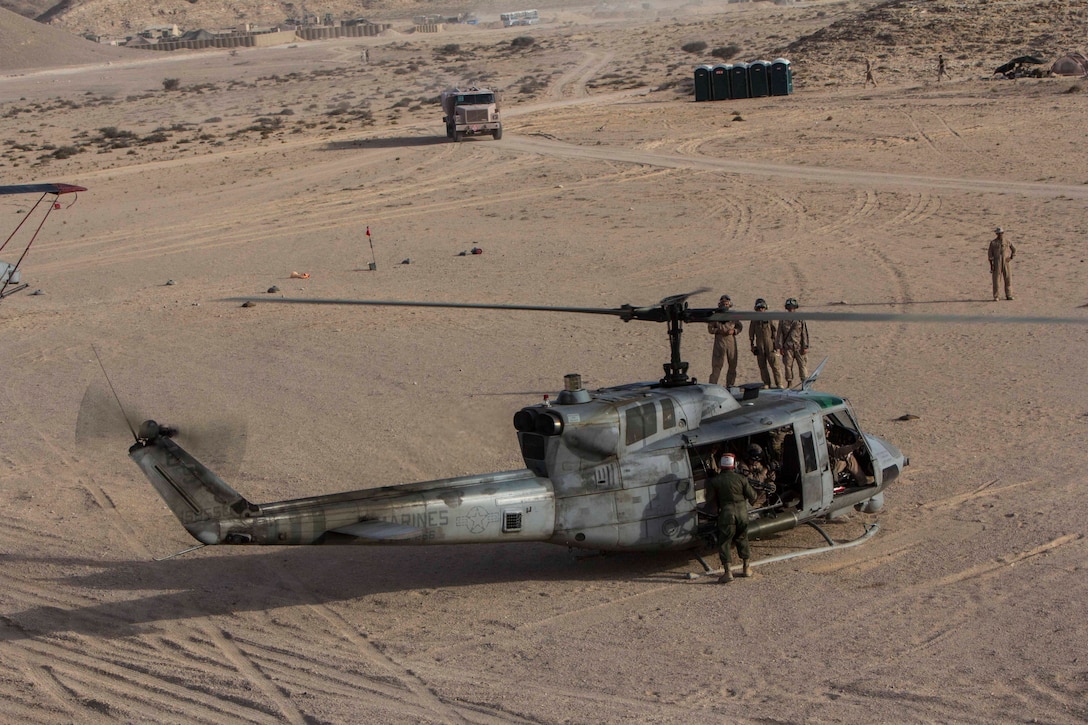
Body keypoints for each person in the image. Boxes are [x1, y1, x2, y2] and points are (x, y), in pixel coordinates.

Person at [704, 453, 758, 583]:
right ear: (734, 465)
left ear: (721, 465)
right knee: (743, 538)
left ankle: (728, 572)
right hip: (742, 514)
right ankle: (746, 568)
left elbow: (709, 499)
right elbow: (753, 497)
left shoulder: (715, 481)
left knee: (724, 542)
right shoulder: (742, 479)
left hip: (727, 515)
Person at [706, 295, 743, 387]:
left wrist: (734, 331)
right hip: (719, 340)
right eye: (723, 304)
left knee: (732, 364)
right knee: (717, 365)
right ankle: (712, 385)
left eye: (726, 304)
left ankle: (730, 384)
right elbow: (710, 329)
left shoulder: (733, 316)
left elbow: (739, 326)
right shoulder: (715, 316)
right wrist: (718, 331)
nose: (725, 305)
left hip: (731, 340)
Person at [748, 298, 783, 388]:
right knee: (762, 366)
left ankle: (779, 383)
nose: (761, 310)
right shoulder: (754, 320)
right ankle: (766, 383)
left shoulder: (769, 318)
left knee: (775, 365)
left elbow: (775, 331)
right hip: (760, 344)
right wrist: (752, 345)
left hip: (770, 344)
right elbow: (751, 333)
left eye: (762, 308)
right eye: (759, 308)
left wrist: (776, 343)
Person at [775, 298, 809, 388]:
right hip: (788, 347)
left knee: (802, 365)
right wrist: (780, 347)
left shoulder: (800, 319)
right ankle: (789, 383)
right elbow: (780, 334)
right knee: (788, 366)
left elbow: (804, 333)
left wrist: (805, 346)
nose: (791, 309)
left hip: (798, 346)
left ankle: (804, 383)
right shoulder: (783, 320)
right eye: (789, 308)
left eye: (792, 308)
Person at [988, 227, 1016, 301]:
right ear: (996, 234)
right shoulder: (993, 243)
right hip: (997, 262)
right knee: (996, 280)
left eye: (1001, 233)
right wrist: (992, 265)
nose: (1000, 235)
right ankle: (996, 296)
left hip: (1006, 262)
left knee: (1008, 278)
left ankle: (1009, 295)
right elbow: (990, 255)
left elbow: (1014, 249)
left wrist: (1011, 257)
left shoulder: (1007, 241)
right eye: (998, 233)